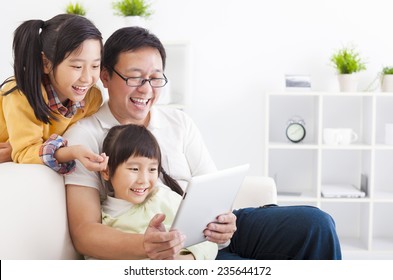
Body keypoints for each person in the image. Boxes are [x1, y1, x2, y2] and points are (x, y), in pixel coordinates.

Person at [63, 26, 342, 260]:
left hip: (210, 233)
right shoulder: (85, 136)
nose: (146, 89)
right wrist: (146, 246)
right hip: (160, 245)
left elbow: (215, 191)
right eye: (135, 77)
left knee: (316, 224)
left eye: (155, 78)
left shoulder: (179, 122)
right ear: (106, 77)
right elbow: (84, 233)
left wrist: (226, 221)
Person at [90, 123, 217, 260]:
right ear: (107, 171)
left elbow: (206, 239)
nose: (143, 180)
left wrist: (188, 259)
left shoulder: (164, 197)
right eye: (134, 169)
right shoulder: (104, 223)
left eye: (152, 169)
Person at [0, 14, 107, 174]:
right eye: (77, 67)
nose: (86, 78)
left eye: (95, 66)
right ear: (46, 63)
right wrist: (69, 152)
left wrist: (31, 149)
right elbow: (24, 152)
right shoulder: (22, 93)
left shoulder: (92, 98)